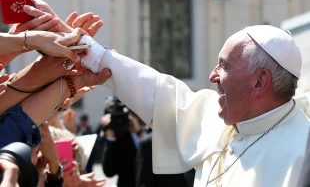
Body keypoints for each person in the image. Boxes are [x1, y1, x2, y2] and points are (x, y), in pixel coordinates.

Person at [76, 25, 310, 187]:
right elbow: (156, 90)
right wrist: (85, 48)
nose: (212, 76)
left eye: (224, 66)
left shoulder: (304, 151)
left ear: (259, 82)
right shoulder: (220, 119)